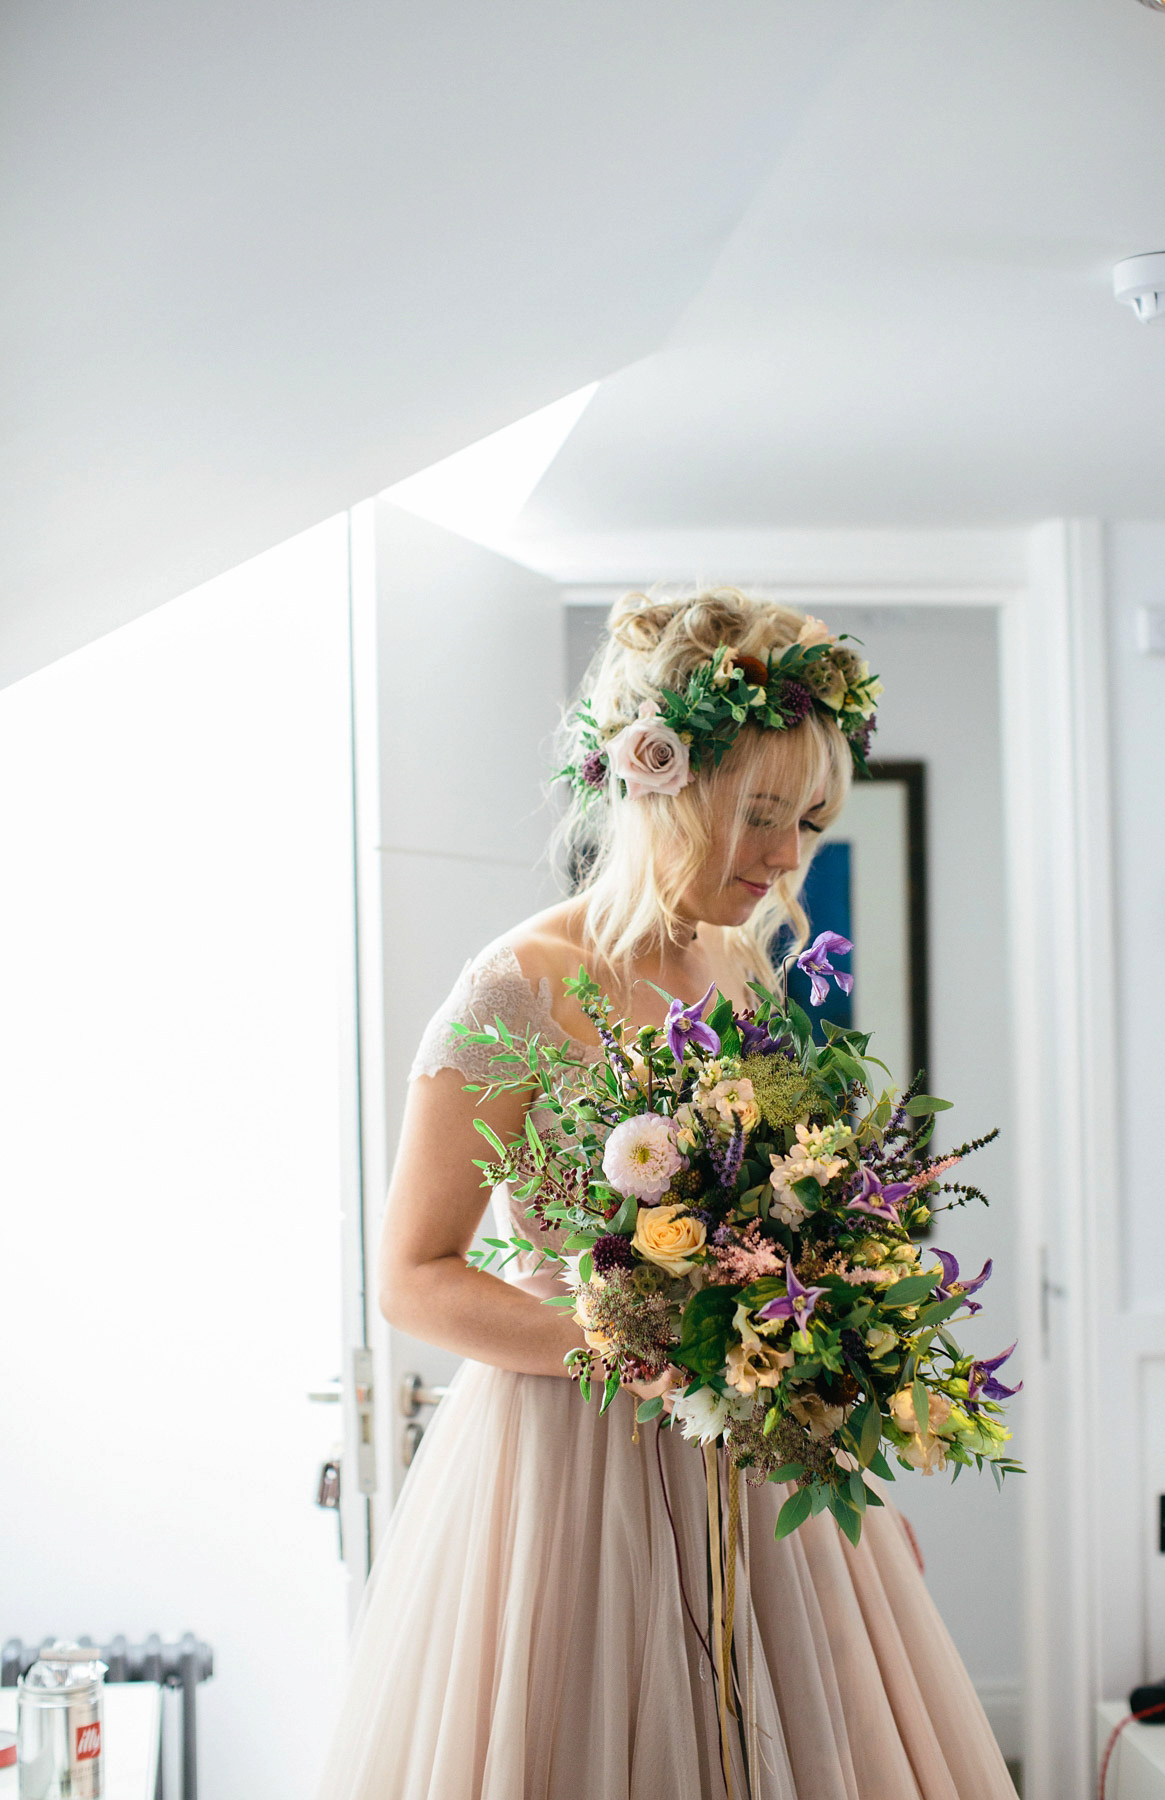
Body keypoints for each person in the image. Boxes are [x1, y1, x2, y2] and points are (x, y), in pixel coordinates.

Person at [315, 589, 1017, 1800]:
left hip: (747, 1454)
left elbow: (770, 1241)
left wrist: (827, 1433)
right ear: (658, 779)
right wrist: (630, 1351)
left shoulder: (742, 965)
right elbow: (411, 1278)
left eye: (807, 818)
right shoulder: (517, 984)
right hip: (562, 1478)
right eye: (761, 814)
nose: (790, 856)